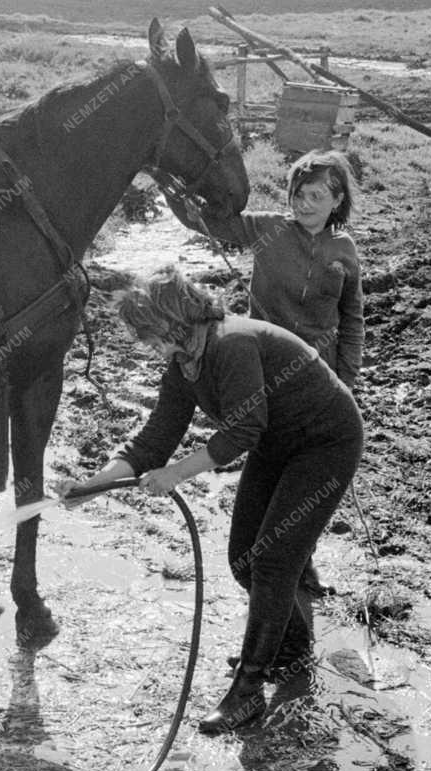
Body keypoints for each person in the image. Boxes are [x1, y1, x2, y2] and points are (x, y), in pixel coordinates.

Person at [60, 266, 363, 735]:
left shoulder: (230, 344)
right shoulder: (185, 364)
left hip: (325, 442)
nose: (149, 347)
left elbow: (244, 428)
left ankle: (248, 690)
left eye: (152, 335)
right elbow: (154, 440)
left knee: (272, 563)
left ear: (177, 320)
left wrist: (176, 475)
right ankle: (291, 645)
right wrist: (96, 485)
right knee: (245, 559)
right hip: (277, 443)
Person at [166, 148, 364, 603]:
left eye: (317, 196)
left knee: (310, 472)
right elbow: (210, 224)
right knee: (269, 458)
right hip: (265, 372)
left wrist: (347, 379)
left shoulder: (345, 251)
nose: (305, 204)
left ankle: (299, 557)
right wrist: (179, 191)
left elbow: (352, 318)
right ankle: (275, 572)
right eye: (299, 194)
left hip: (321, 378)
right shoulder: (268, 229)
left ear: (337, 201)